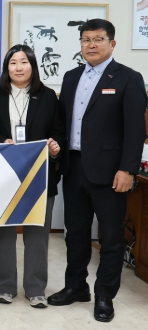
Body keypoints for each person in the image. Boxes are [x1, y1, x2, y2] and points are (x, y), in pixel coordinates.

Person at [48, 19, 147, 322]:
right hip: (74, 167)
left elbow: (135, 131)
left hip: (110, 172)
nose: (90, 45)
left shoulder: (129, 78)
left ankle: (105, 295)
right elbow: (63, 123)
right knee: (75, 234)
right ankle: (76, 287)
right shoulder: (70, 77)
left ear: (112, 43)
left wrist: (128, 169)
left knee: (112, 239)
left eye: (98, 39)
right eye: (85, 39)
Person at [0, 44, 65, 308]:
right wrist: (1, 140)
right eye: (13, 63)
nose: (19, 67)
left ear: (33, 66)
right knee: (4, 232)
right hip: (5, 174)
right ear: (6, 68)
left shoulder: (47, 96)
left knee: (37, 233)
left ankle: (35, 288)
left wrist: (55, 147)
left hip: (39, 175)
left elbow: (58, 131)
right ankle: (5, 287)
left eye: (24, 62)